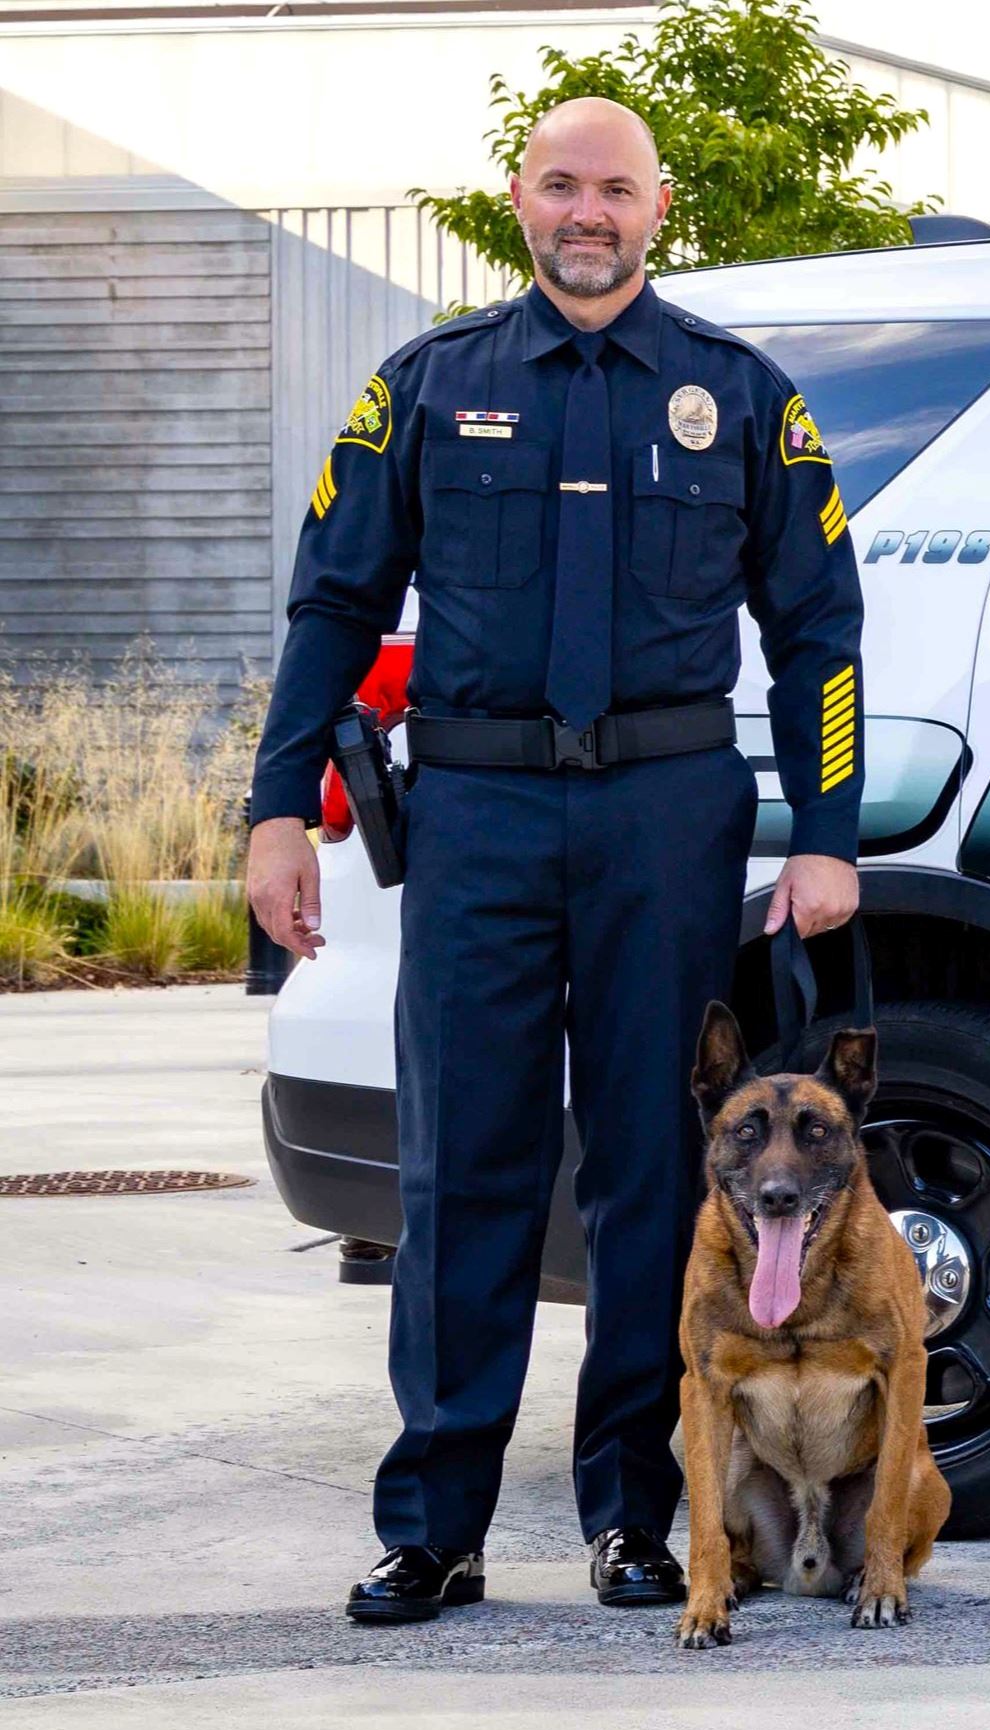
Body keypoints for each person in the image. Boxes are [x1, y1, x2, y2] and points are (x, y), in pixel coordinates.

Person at [246, 96, 864, 1624]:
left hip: (665, 816)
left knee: (658, 1169)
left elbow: (819, 632)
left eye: (616, 190)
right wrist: (275, 809)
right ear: (519, 198)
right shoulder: (427, 389)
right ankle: (436, 1524)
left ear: (660, 210)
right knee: (465, 1166)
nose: (587, 213)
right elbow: (332, 607)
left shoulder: (742, 398)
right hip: (479, 821)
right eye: (560, 185)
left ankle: (637, 1518)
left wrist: (830, 836)